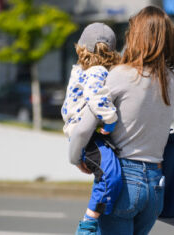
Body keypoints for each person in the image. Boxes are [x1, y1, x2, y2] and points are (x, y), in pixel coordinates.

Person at [68, 6, 174, 235]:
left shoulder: (121, 75)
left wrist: (75, 158)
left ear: (136, 36)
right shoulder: (170, 79)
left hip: (124, 182)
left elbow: (83, 128)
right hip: (155, 187)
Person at [61, 22, 123, 235]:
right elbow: (95, 97)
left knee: (104, 173)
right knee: (110, 174)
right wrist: (110, 120)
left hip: (82, 136)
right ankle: (88, 222)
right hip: (88, 137)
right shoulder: (97, 72)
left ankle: (94, 219)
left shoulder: (80, 71)